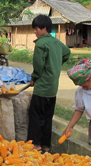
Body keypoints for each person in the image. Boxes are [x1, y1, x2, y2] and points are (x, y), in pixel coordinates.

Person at [27, 15, 71, 151]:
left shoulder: (41, 43)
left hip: (42, 88)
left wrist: (34, 77)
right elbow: (67, 53)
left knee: (35, 117)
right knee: (47, 117)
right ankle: (46, 145)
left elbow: (38, 65)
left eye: (37, 28)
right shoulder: (57, 43)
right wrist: (56, 65)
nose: (35, 31)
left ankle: (36, 145)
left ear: (44, 28)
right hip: (52, 89)